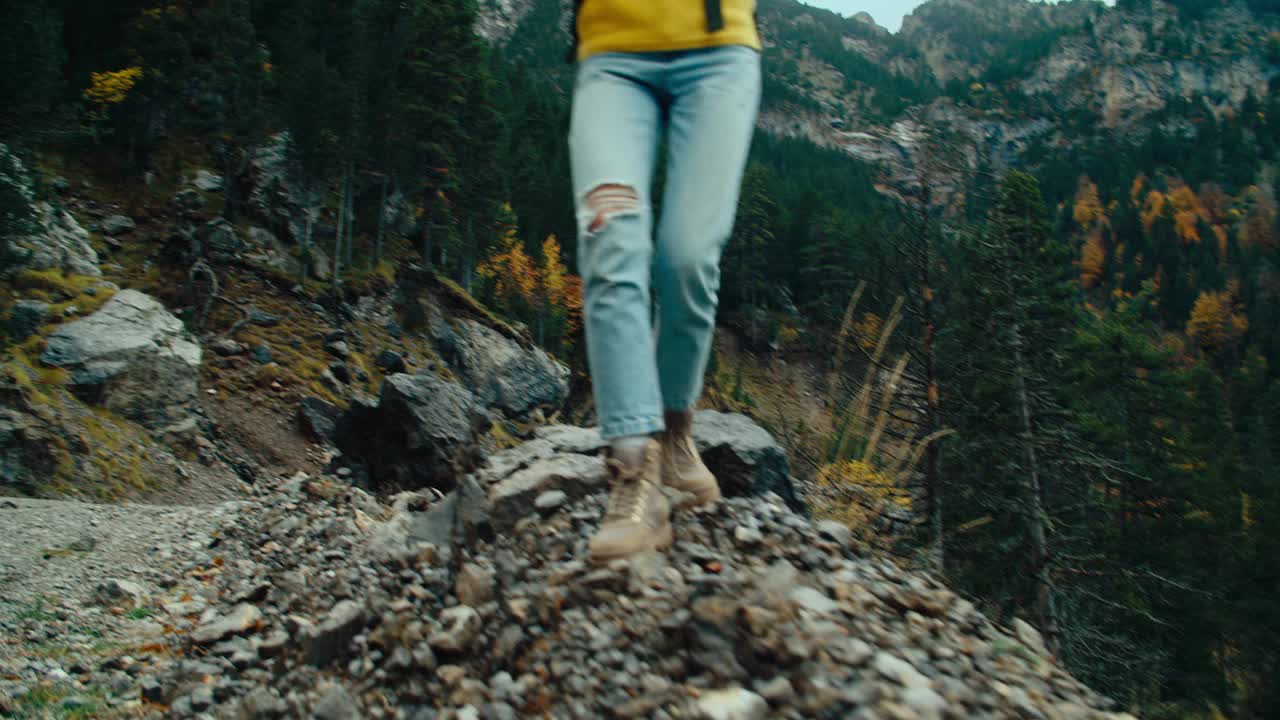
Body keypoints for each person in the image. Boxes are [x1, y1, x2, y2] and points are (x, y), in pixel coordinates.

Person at [567, 0, 762, 563]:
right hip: (611, 55)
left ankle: (675, 431)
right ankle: (634, 471)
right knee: (611, 245)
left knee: (688, 257)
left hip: (718, 53)